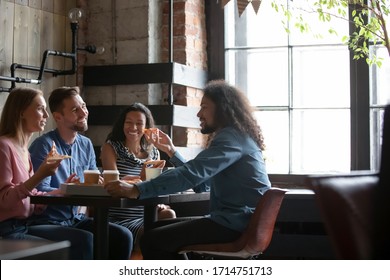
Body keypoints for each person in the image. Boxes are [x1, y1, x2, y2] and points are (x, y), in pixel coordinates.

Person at [104, 80, 271, 259]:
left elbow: (192, 174)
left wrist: (138, 189)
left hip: (235, 225)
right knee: (155, 230)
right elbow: (203, 185)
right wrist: (171, 152)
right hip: (237, 222)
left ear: (222, 108)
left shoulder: (231, 139)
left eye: (204, 107)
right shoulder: (236, 137)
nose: (199, 113)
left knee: (151, 240)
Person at [28, 86, 133, 259]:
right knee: (86, 239)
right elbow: (37, 193)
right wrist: (69, 189)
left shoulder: (86, 144)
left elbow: (92, 184)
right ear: (58, 117)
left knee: (123, 235)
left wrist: (115, 182)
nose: (84, 113)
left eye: (83, 106)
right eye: (75, 110)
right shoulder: (44, 145)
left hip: (76, 220)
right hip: (47, 221)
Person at [0, 87, 93, 259]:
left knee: (92, 237)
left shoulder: (23, 150)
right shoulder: (4, 146)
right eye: (40, 109)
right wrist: (40, 175)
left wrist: (64, 190)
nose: (46, 115)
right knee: (81, 240)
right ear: (21, 113)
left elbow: (32, 198)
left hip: (22, 225)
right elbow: (4, 200)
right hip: (7, 230)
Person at [100, 103, 176, 255]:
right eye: (128, 122)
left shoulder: (154, 152)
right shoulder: (111, 147)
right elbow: (112, 185)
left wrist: (159, 202)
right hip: (120, 215)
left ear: (146, 127)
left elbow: (155, 186)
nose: (133, 127)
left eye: (139, 123)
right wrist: (140, 180)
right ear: (122, 123)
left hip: (146, 211)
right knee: (150, 234)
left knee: (169, 215)